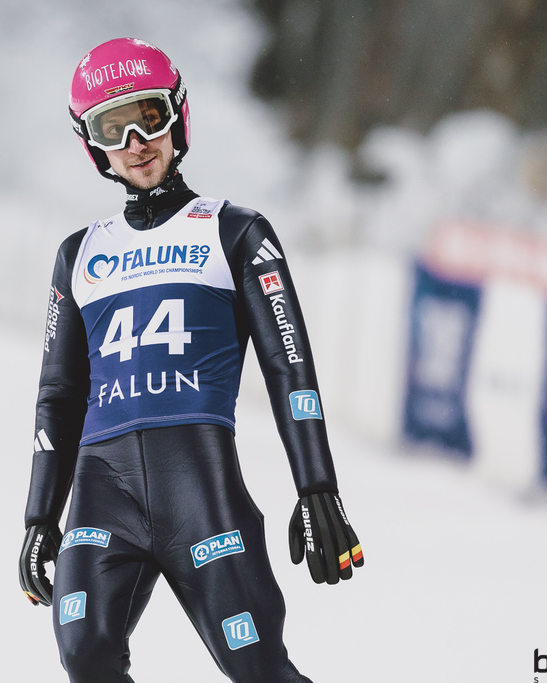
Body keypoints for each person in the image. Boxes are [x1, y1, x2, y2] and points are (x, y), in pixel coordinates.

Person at [18, 38, 363, 683]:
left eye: (148, 118)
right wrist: (40, 517)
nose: (135, 143)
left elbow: (289, 366)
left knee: (258, 668)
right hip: (103, 496)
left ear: (176, 116)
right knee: (85, 652)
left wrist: (317, 486)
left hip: (199, 494)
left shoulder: (235, 231)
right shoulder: (78, 254)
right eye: (112, 129)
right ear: (92, 146)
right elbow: (58, 397)